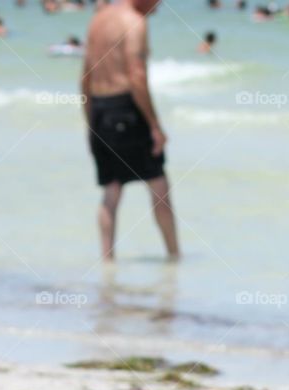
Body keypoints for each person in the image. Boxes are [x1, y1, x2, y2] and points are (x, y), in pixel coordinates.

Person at [81, 0, 179, 261]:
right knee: (158, 185)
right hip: (126, 107)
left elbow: (85, 75)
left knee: (111, 190)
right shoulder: (135, 21)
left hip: (100, 109)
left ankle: (106, 263)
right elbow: (136, 75)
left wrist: (89, 121)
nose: (159, 7)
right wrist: (155, 126)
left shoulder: (98, 19)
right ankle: (174, 257)